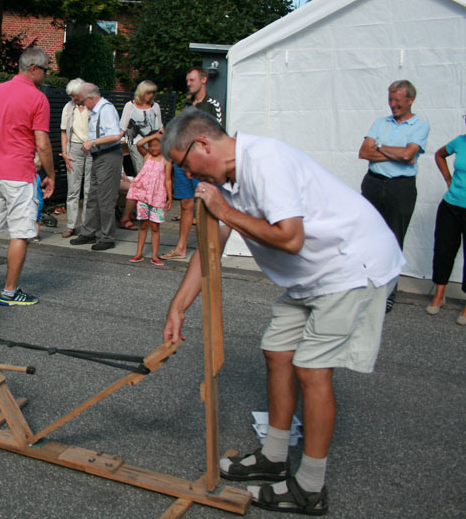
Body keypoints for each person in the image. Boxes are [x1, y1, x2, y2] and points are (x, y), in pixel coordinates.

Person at [161, 109, 403, 516]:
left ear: (202, 144)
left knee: (311, 369)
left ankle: (310, 488)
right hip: (312, 277)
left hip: (351, 266)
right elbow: (210, 251)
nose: (190, 177)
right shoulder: (226, 181)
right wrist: (178, 307)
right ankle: (274, 456)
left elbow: (290, 239)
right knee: (277, 352)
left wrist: (225, 211)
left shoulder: (265, 162)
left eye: (185, 166)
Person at [0, 47, 54, 306]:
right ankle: (9, 292)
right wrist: (50, 174)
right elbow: (42, 143)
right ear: (33, 69)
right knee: (19, 233)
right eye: (46, 69)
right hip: (18, 173)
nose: (47, 74)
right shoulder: (38, 98)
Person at [359, 79, 430, 312]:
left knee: (393, 240)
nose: (393, 105)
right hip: (373, 183)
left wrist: (379, 147)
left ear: (410, 100)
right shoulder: (380, 122)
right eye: (390, 100)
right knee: (367, 238)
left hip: (401, 188)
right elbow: (363, 152)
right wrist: (396, 154)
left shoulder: (420, 125)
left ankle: (388, 294)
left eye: (398, 100)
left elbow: (410, 155)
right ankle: (364, 288)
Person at [161, 67, 222, 261]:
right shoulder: (187, 104)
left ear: (203, 80)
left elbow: (218, 135)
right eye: (187, 80)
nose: (188, 83)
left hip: (201, 163)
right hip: (183, 163)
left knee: (204, 205)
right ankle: (181, 248)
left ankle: (207, 250)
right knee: (186, 205)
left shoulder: (212, 105)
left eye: (192, 80)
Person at [69, 83, 123, 251]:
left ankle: (107, 237)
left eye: (83, 101)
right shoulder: (96, 110)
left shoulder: (106, 109)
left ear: (91, 98)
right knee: (92, 196)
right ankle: (89, 232)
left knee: (106, 198)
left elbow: (115, 135)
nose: (82, 105)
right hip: (99, 156)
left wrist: (93, 142)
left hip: (109, 156)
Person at [427, 117, 466, 325]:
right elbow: (440, 155)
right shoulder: (460, 141)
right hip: (451, 205)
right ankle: (439, 294)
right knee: (443, 250)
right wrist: (448, 179)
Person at [118, 79, 163, 229]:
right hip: (136, 146)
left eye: (153, 92)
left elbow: (160, 128)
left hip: (154, 146)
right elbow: (122, 128)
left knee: (147, 180)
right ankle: (132, 214)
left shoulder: (155, 106)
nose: (151, 95)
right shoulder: (130, 106)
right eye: (149, 92)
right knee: (142, 180)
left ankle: (136, 213)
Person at [127, 136, 172, 266]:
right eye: (151, 145)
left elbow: (168, 180)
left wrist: (170, 197)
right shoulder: (147, 156)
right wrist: (154, 136)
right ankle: (138, 253)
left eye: (156, 145)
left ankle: (154, 255)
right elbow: (139, 144)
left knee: (155, 227)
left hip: (158, 198)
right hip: (144, 197)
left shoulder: (166, 161)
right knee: (143, 225)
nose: (153, 148)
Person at [59, 78, 91, 238]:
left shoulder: (93, 106)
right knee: (73, 189)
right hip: (74, 148)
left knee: (88, 189)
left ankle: (86, 226)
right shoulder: (68, 107)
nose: (72, 98)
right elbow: (64, 131)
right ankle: (71, 225)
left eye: (74, 95)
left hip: (92, 148)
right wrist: (64, 152)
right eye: (70, 95)